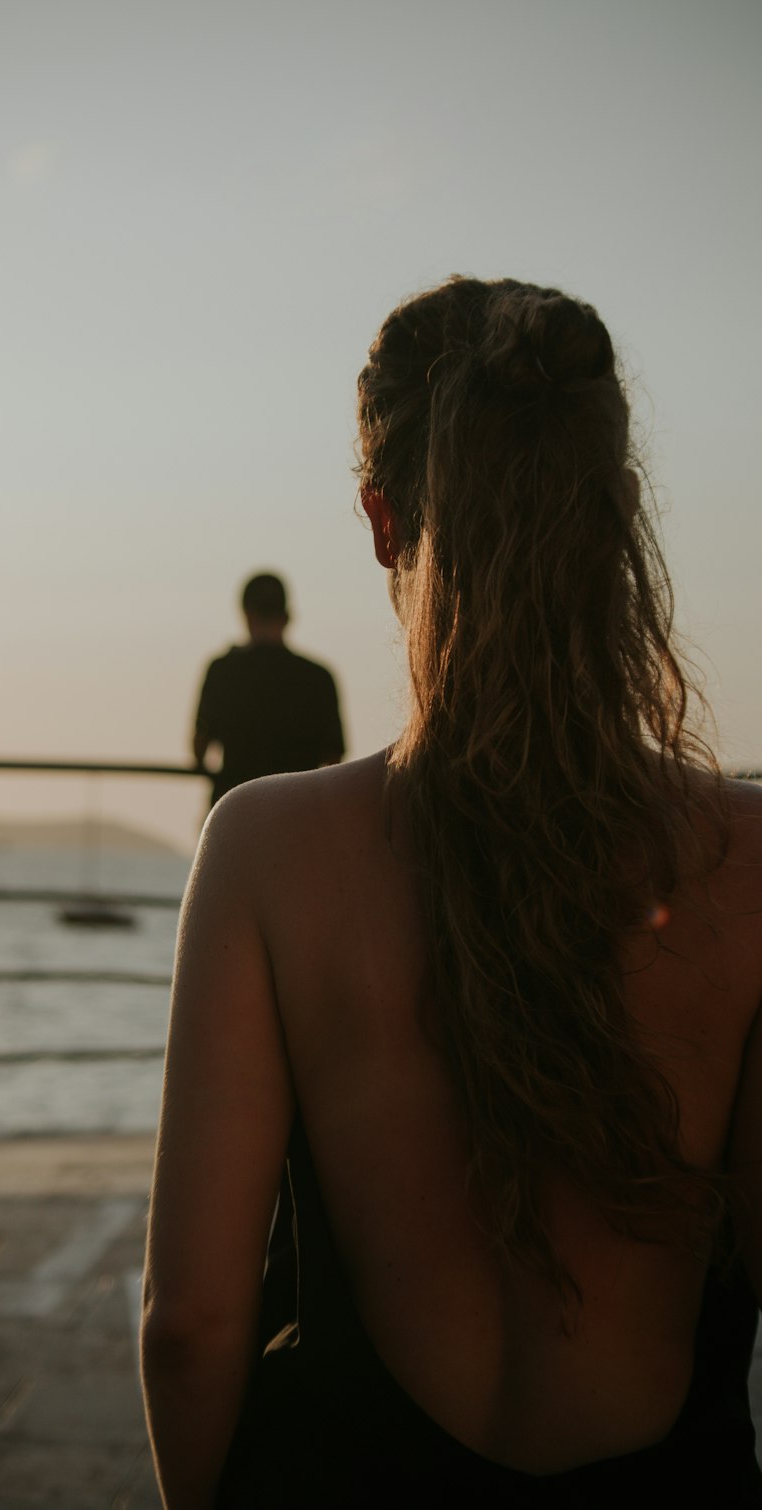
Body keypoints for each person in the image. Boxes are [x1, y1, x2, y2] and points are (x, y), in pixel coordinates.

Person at [141, 277, 762, 1507]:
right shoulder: (747, 855)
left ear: (383, 518)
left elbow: (192, 1321)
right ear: (619, 510)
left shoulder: (264, 850)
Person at [192, 572, 345, 806]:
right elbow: (334, 760)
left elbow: (199, 747)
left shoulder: (222, 671)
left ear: (246, 614)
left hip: (235, 813)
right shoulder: (318, 678)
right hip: (299, 814)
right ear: (287, 617)